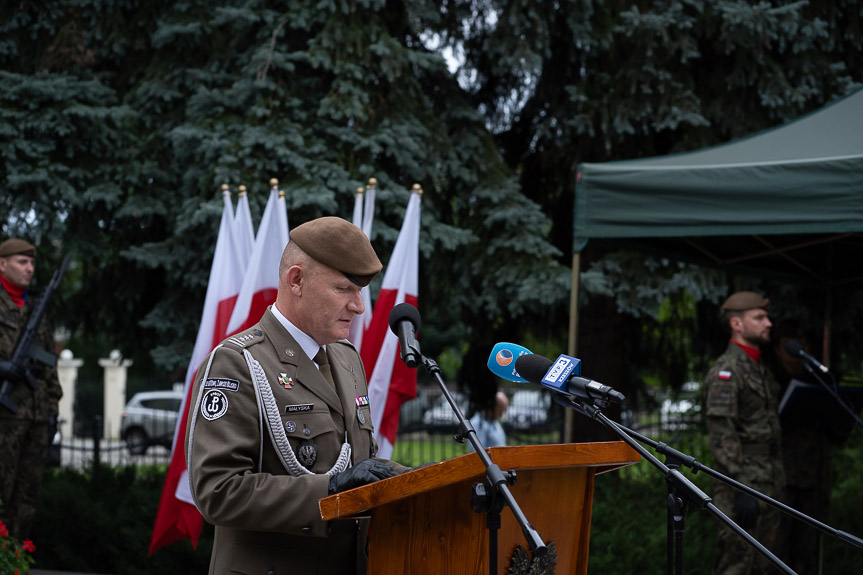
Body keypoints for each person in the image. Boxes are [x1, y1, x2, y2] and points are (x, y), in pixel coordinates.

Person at [186, 217, 410, 575]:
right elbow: (218, 491)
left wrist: (431, 479)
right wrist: (331, 487)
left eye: (360, 292)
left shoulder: (346, 357)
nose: (359, 306)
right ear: (296, 281)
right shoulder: (237, 363)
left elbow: (361, 463)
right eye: (343, 289)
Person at [702, 291, 784, 575]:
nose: (768, 323)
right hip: (740, 482)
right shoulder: (727, 372)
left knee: (765, 564)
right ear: (737, 324)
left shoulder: (758, 368)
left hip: (768, 478)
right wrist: (740, 489)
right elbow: (721, 436)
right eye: (759, 318)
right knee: (737, 563)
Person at [0, 238, 63, 539]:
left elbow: (50, 367)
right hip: (5, 418)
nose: (30, 269)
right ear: (2, 264)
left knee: (27, 500)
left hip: (36, 418)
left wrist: (52, 411)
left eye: (32, 263)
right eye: (22, 262)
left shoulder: (38, 309)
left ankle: (17, 560)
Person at [769, 320, 833, 575]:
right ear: (777, 349)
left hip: (814, 475)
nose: (799, 348)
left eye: (802, 343)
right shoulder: (770, 378)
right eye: (790, 344)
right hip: (781, 477)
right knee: (778, 547)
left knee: (809, 550)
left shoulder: (819, 378)